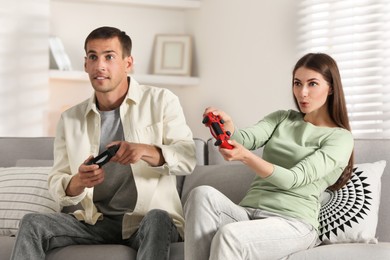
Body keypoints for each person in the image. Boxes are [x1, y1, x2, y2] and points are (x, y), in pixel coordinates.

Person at [11, 26, 196, 260]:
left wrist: (145, 151)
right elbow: (58, 183)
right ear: (86, 64)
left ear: (128, 63)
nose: (100, 65)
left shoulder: (162, 101)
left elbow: (187, 157)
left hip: (146, 221)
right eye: (93, 57)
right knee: (33, 222)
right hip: (96, 223)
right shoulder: (70, 119)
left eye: (109, 56)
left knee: (158, 217)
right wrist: (79, 181)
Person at [184, 53, 354, 260]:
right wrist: (227, 126)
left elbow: (294, 179)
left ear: (331, 88)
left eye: (312, 84)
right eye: (297, 83)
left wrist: (246, 157)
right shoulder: (283, 118)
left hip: (293, 222)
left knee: (230, 236)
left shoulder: (340, 138)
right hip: (247, 213)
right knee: (201, 194)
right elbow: (246, 139)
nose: (303, 92)